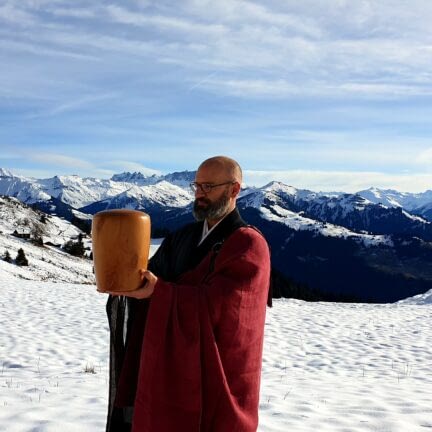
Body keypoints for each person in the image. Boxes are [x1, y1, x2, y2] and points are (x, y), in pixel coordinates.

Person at [105, 156, 271, 432]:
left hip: (213, 377)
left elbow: (225, 307)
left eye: (208, 187)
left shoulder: (248, 245)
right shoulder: (182, 236)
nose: (199, 194)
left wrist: (161, 293)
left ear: (234, 190)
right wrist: (126, 283)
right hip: (169, 370)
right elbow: (151, 282)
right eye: (196, 186)